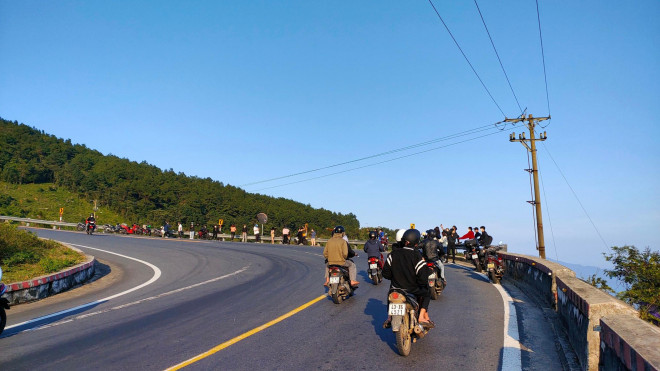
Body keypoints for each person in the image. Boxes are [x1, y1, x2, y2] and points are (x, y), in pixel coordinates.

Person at [382, 229, 433, 328]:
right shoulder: (416, 256)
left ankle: (389, 317)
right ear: (416, 242)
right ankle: (421, 316)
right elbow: (422, 278)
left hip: (396, 289)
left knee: (390, 293)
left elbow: (386, 274)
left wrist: (395, 277)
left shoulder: (392, 254)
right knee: (427, 292)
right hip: (412, 289)